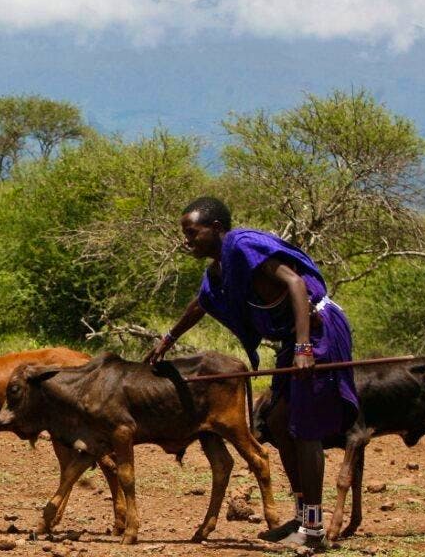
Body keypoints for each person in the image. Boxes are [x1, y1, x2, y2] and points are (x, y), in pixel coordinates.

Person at [145, 197, 359, 550]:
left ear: (215, 228)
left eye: (192, 232)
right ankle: (302, 516)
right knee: (276, 422)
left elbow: (295, 283)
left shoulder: (243, 245)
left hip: (317, 328)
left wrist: (305, 347)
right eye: (185, 233)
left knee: (303, 427)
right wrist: (168, 339)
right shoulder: (218, 271)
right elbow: (200, 303)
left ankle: (314, 531)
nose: (187, 240)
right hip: (295, 337)